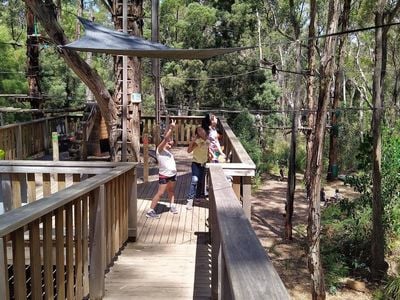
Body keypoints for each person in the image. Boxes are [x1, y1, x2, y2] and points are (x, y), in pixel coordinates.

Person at [146, 120, 178, 218]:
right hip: (164, 175)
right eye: (168, 142)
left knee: (171, 190)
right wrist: (171, 128)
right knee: (160, 193)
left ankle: (172, 205)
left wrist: (169, 127)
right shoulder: (159, 150)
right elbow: (165, 138)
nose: (170, 144)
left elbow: (167, 137)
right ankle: (150, 211)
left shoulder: (167, 151)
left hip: (172, 174)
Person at [186, 127, 210, 210]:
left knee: (200, 181)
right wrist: (192, 141)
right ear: (197, 133)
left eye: (202, 129)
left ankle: (198, 197)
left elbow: (207, 151)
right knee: (195, 180)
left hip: (203, 163)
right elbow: (188, 151)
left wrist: (210, 157)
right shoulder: (197, 141)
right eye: (199, 130)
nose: (201, 131)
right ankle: (190, 200)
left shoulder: (207, 140)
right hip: (195, 163)